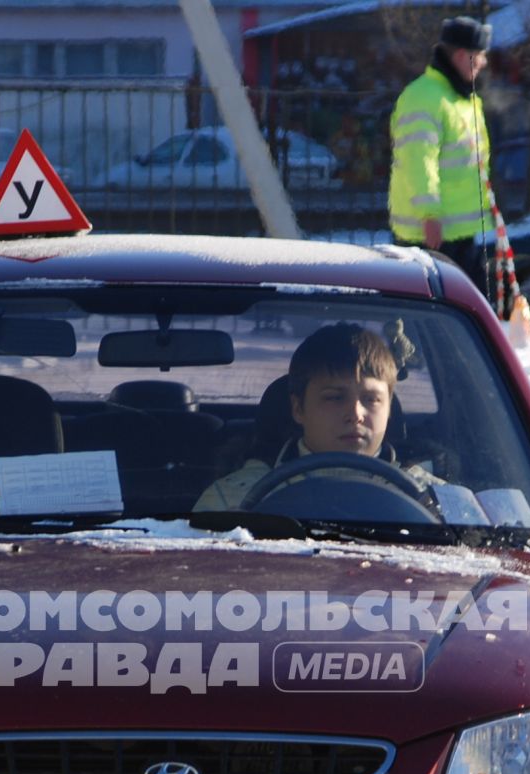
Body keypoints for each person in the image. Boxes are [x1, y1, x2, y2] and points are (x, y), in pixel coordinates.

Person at [196, 324, 436, 511]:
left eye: (371, 399)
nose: (355, 414)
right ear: (298, 408)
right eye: (334, 398)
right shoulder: (232, 499)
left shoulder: (433, 501)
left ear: (389, 409)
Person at [389, 16, 494, 299]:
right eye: (480, 56)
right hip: (430, 237)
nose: (483, 63)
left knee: (467, 316)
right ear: (462, 56)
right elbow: (418, 160)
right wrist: (430, 215)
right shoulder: (425, 98)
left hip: (458, 234)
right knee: (436, 320)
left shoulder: (461, 99)